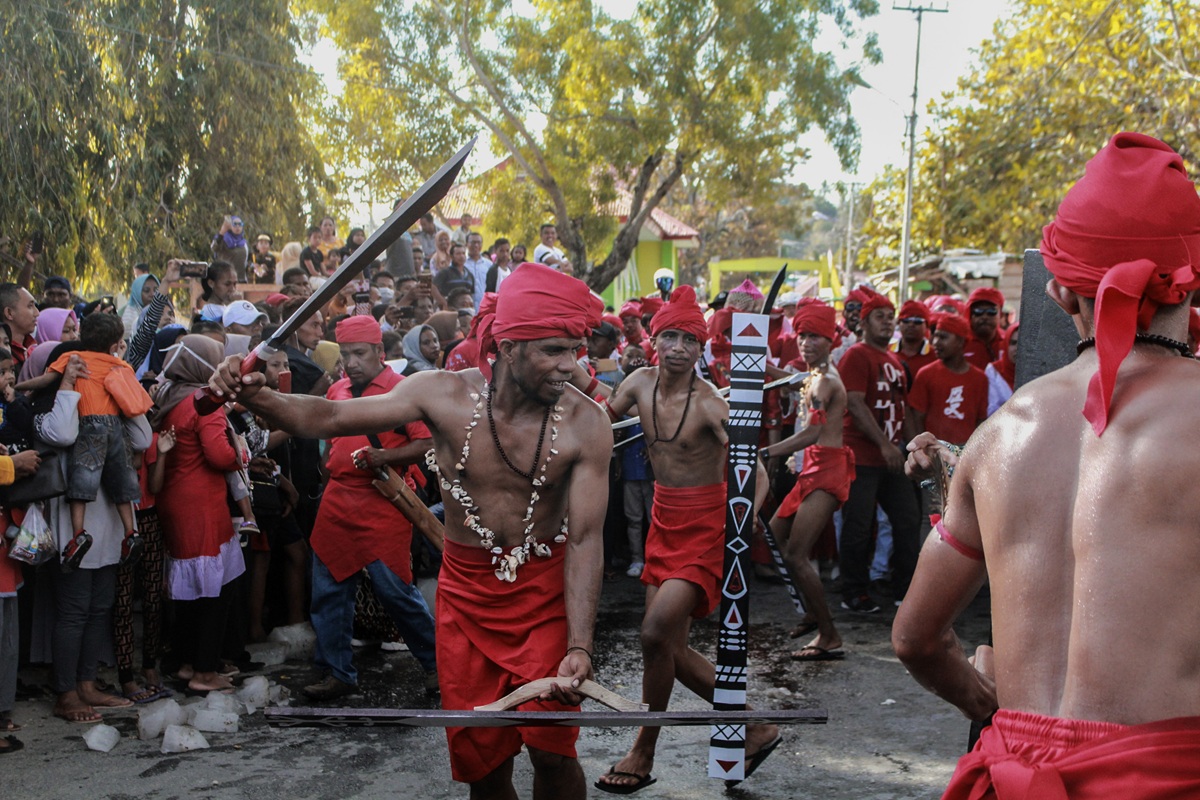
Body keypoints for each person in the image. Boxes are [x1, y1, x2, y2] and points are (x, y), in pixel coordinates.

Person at [208, 262, 609, 800]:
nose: (570, 367)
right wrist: (256, 395)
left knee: (553, 753)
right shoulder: (441, 394)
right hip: (466, 602)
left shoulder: (587, 422)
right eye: (554, 351)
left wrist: (580, 644)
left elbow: (584, 539)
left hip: (544, 600)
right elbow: (328, 418)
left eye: (575, 350)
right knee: (484, 766)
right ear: (509, 347)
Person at [894, 132, 1200, 798]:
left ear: (1060, 290)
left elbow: (915, 638)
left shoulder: (997, 437)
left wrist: (992, 709)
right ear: (1192, 281)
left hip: (1014, 776)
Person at [596, 286, 780, 793]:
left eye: (689, 340)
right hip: (663, 520)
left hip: (706, 527)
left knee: (655, 635)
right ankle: (753, 728)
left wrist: (747, 515)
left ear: (701, 349)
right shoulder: (637, 382)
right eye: (670, 337)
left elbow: (757, 472)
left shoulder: (710, 404)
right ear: (654, 340)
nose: (678, 348)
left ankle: (643, 749)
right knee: (667, 649)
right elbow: (599, 421)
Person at [301, 316, 439, 700]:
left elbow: (427, 445)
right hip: (337, 500)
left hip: (384, 501)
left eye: (359, 353)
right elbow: (328, 443)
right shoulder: (337, 390)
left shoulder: (403, 390)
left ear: (379, 351)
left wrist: (385, 456)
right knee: (328, 592)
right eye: (345, 354)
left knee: (396, 593)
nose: (351, 362)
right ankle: (337, 672)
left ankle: (437, 665)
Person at [150, 334, 246, 693]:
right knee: (214, 591)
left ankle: (187, 662)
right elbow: (220, 456)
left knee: (190, 591)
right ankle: (205, 672)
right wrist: (240, 451)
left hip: (175, 500)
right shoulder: (203, 402)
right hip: (202, 504)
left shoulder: (169, 396)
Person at [760, 301, 853, 661]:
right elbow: (794, 379)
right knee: (773, 533)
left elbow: (812, 433)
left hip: (827, 470)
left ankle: (829, 635)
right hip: (813, 468)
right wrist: (759, 365)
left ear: (830, 340)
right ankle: (813, 613)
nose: (806, 343)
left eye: (815, 336)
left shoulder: (826, 382)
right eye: (801, 336)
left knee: (797, 555)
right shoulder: (814, 375)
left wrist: (766, 452)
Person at [44, 313, 154, 567]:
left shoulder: (73, 358)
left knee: (81, 485)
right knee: (123, 487)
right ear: (115, 344)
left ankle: (78, 535)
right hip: (115, 427)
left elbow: (47, 379)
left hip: (89, 426)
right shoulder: (120, 366)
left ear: (82, 335)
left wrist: (25, 389)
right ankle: (131, 533)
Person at [837, 290, 920, 613]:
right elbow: (854, 403)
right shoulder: (857, 355)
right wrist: (885, 444)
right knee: (859, 525)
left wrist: (912, 448)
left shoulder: (895, 362)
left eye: (890, 317)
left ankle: (905, 589)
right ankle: (853, 592)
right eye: (879, 317)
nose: (887, 322)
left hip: (892, 456)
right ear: (864, 322)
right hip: (861, 456)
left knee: (907, 520)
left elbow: (903, 409)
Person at [905, 313, 988, 446]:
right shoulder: (926, 374)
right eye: (935, 336)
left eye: (943, 337)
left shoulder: (980, 379)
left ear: (960, 341)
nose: (935, 342)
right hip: (932, 451)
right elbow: (916, 418)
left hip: (965, 452)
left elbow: (981, 420)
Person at [891, 299, 936, 382]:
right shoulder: (886, 352)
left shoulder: (936, 356)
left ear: (926, 325)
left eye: (917, 321)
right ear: (899, 323)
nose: (911, 325)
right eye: (906, 320)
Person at [961, 287, 1004, 369]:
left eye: (991, 311)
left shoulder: (1009, 343)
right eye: (978, 311)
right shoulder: (959, 343)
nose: (984, 317)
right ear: (970, 314)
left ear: (1001, 314)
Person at [0, 283, 39, 368]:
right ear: (9, 313)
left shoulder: (34, 349)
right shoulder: (3, 355)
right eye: (30, 306)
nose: (37, 313)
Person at [211, 215, 249, 281]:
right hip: (225, 280)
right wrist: (222, 233)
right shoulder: (223, 239)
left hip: (240, 279)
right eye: (235, 224)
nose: (237, 226)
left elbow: (246, 261)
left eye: (240, 224)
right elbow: (214, 248)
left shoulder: (243, 243)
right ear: (229, 226)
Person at [463, 232, 490, 309]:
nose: (476, 245)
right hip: (466, 307)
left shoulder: (488, 265)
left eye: (479, 243)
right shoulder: (461, 263)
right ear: (466, 244)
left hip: (484, 307)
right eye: (473, 242)